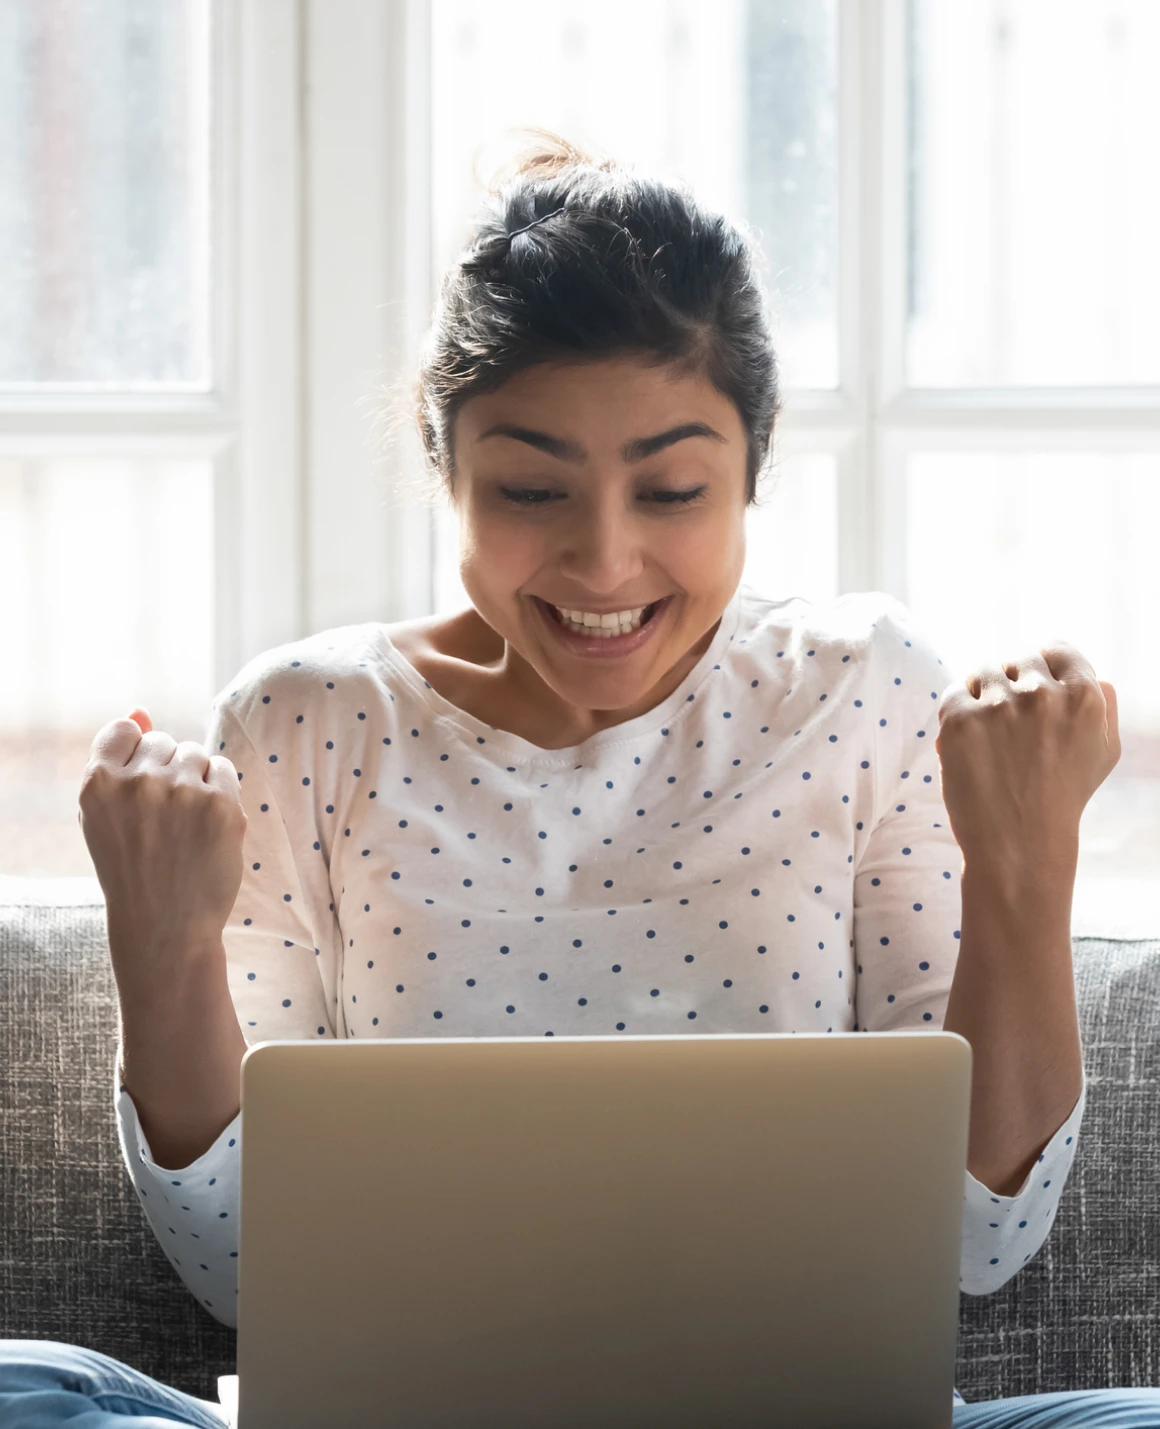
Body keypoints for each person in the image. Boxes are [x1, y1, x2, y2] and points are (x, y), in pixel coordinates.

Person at [0, 132, 1149, 1428]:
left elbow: (980, 1239)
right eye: (532, 489)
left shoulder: (863, 686)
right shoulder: (304, 722)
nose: (604, 564)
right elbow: (239, 1274)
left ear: (753, 469)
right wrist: (160, 943)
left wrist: (1026, 861)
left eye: (672, 490)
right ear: (447, 470)